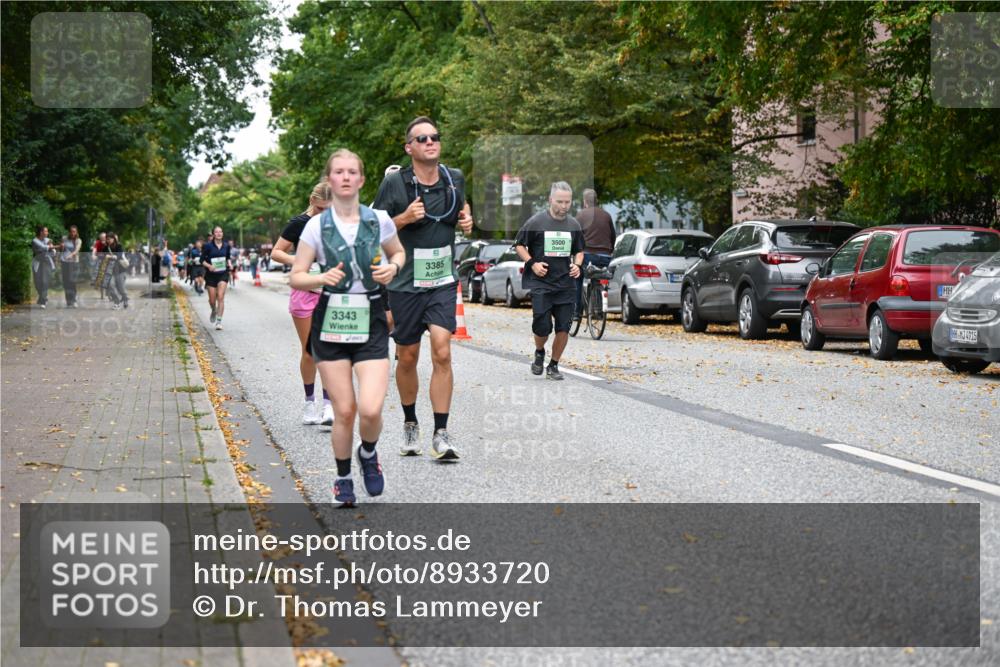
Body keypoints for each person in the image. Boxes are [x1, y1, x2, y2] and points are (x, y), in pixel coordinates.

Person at [290, 148, 405, 506]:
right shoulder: (315, 226)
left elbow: (398, 252)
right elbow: (296, 276)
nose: (344, 177)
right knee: (344, 411)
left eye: (351, 171)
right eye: (337, 171)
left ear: (361, 179)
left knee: (370, 410)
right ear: (330, 178)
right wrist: (319, 277)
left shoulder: (379, 220)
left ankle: (368, 453)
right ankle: (343, 478)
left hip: (370, 320)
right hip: (332, 322)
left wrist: (394, 268)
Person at [373, 116, 474, 460]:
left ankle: (441, 433)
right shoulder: (394, 184)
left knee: (443, 350)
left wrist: (467, 220)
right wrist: (403, 219)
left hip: (442, 281)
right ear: (409, 147)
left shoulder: (454, 178)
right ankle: (410, 422)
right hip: (405, 283)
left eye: (435, 137)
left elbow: (462, 208)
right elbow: (372, 228)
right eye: (422, 138)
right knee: (408, 356)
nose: (430, 142)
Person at [273, 183, 336, 426]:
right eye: (321, 209)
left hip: (329, 292)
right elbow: (277, 252)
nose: (324, 214)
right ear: (312, 200)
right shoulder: (299, 223)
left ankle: (329, 406)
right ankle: (310, 403)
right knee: (311, 350)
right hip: (305, 292)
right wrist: (298, 260)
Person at [514, 182, 584, 381]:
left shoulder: (573, 225)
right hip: (541, 284)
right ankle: (539, 351)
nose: (564, 206)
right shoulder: (536, 222)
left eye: (567, 202)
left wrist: (577, 265)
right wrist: (532, 263)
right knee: (542, 327)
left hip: (566, 284)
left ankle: (553, 365)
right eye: (560, 201)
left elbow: (579, 250)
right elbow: (519, 245)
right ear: (550, 200)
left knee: (564, 327)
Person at [574, 188, 616, 318]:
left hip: (587, 255)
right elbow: (613, 237)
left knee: (577, 277)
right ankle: (598, 310)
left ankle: (577, 312)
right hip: (605, 256)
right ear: (597, 201)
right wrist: (609, 251)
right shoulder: (607, 215)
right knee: (599, 276)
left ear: (585, 201)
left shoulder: (581, 215)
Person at [202, 226, 232, 330]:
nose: (219, 233)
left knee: (220, 296)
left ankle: (219, 322)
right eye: (216, 232)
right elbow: (202, 260)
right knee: (212, 300)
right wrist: (209, 266)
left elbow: (227, 257)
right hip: (211, 275)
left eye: (220, 232)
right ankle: (213, 310)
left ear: (222, 234)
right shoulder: (207, 246)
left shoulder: (226, 246)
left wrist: (230, 264)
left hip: (223, 273)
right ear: (213, 234)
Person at [31, 226, 56, 308]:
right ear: (41, 232)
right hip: (38, 262)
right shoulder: (35, 241)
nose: (47, 233)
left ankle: (43, 300)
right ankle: (42, 296)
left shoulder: (48, 240)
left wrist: (50, 251)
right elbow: (43, 247)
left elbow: (53, 252)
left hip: (46, 262)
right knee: (37, 282)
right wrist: (52, 247)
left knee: (45, 281)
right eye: (46, 231)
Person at [106, 233, 130, 310]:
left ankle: (125, 298)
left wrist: (111, 256)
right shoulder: (106, 247)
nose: (108, 240)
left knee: (121, 288)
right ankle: (117, 302)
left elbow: (119, 256)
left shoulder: (119, 246)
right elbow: (101, 255)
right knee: (110, 285)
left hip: (120, 270)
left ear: (114, 239)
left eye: (110, 238)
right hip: (110, 270)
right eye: (107, 239)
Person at [59, 225, 82, 307]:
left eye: (74, 231)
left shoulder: (78, 240)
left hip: (74, 262)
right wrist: (61, 247)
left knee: (72, 281)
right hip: (65, 262)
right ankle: (68, 301)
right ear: (69, 232)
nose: (73, 233)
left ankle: (74, 299)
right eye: (71, 231)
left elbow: (77, 250)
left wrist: (71, 255)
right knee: (66, 282)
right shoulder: (64, 238)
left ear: (76, 232)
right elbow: (61, 249)